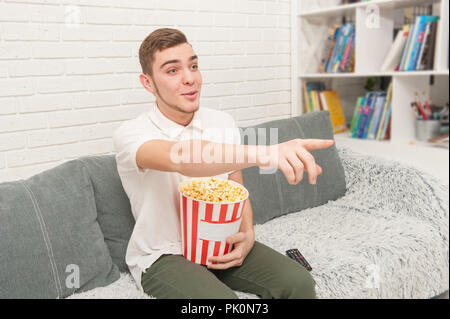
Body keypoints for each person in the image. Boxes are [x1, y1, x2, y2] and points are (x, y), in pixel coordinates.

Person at [113, 28, 335, 299]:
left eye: (193, 66)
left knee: (298, 282)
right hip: (164, 254)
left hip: (220, 243)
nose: (189, 79)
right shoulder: (132, 134)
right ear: (148, 83)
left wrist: (247, 234)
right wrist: (264, 153)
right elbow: (183, 158)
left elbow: (235, 188)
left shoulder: (222, 122)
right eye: (172, 71)